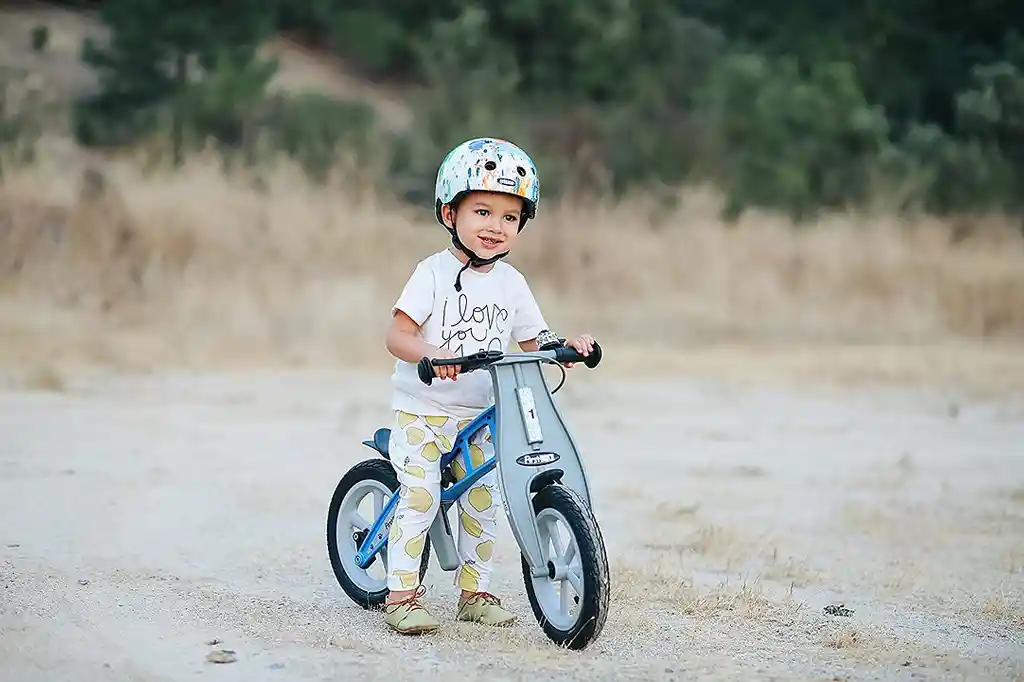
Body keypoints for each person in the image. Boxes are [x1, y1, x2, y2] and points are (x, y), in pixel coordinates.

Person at [381, 137, 596, 635]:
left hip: (480, 412)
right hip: (425, 408)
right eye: (482, 211)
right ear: (449, 212)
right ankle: (400, 596)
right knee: (421, 496)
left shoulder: (511, 282)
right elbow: (398, 335)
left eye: (509, 217)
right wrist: (432, 356)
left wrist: (566, 345)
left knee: (485, 501)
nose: (495, 227)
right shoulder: (430, 274)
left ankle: (473, 593)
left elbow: (532, 338)